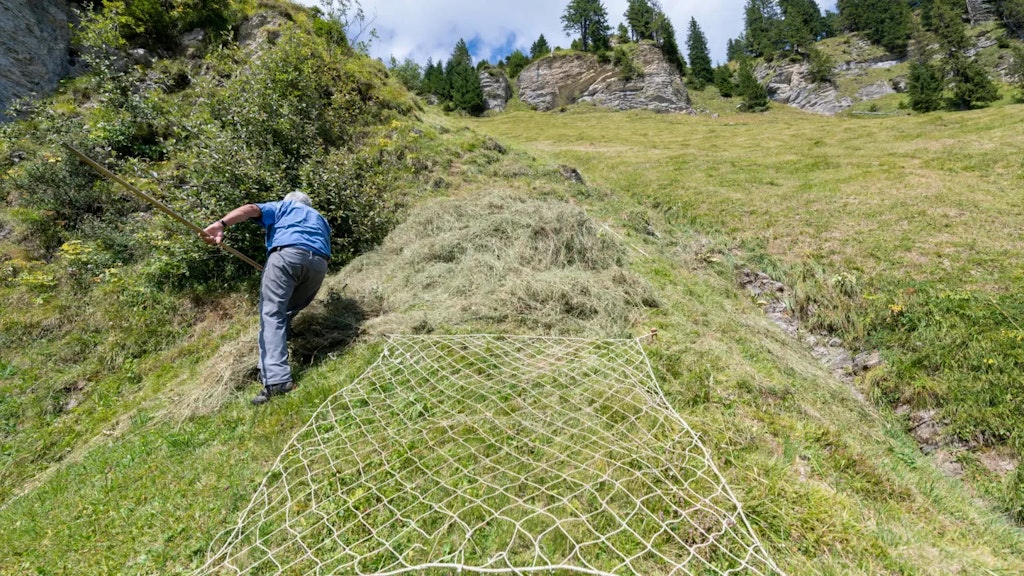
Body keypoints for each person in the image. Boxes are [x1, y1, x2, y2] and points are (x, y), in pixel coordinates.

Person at [202, 191, 332, 405]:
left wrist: (221, 224)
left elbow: (250, 209)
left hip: (286, 254)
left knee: (272, 314)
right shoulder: (319, 218)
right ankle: (269, 367)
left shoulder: (284, 207)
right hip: (318, 264)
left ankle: (277, 380)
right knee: (286, 312)